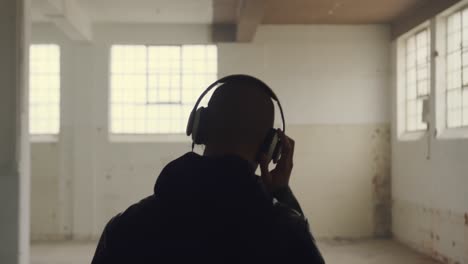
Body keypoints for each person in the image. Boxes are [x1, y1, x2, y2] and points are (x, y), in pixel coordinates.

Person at [92, 75, 325, 263]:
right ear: (272, 148)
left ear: (198, 127)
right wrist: (282, 194)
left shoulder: (125, 228)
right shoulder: (288, 236)